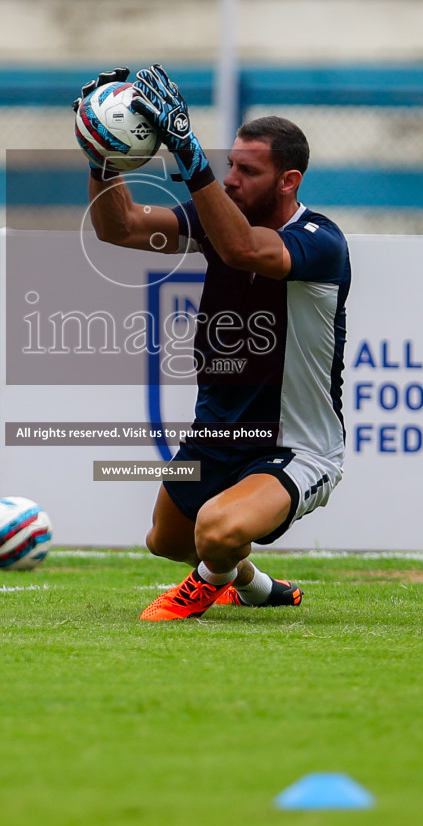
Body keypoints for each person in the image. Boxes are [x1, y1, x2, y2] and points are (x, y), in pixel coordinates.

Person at [79, 65, 351, 620]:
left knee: (216, 529)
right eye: (228, 165)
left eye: (246, 172)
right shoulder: (218, 219)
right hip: (218, 434)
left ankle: (199, 592)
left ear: (288, 181)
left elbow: (247, 250)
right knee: (167, 542)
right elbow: (119, 226)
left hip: (294, 447)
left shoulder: (321, 242)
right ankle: (252, 584)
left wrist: (190, 157)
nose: (229, 180)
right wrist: (101, 152)